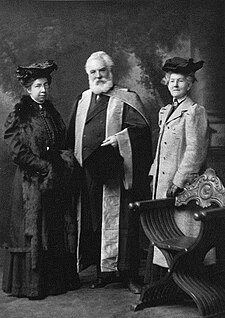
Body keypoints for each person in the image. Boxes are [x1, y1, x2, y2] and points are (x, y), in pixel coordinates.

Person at [66, 51, 152, 294]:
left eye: (101, 70)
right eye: (92, 72)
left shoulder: (126, 98)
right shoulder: (82, 100)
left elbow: (142, 131)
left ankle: (127, 274)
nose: (98, 75)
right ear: (87, 75)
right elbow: (71, 135)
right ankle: (103, 273)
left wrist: (120, 139)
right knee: (94, 223)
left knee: (123, 225)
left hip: (116, 171)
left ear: (110, 71)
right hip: (89, 174)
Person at [2, 60, 80, 300]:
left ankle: (55, 282)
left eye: (46, 84)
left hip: (52, 183)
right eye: (38, 85)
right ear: (28, 89)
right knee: (33, 231)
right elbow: (17, 152)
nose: (43, 90)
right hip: (30, 183)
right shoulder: (19, 114)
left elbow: (63, 143)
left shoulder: (52, 113)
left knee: (53, 229)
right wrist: (43, 166)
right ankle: (31, 285)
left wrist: (62, 162)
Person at [149, 57, 209, 278]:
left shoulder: (194, 111)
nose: (175, 85)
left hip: (182, 187)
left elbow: (195, 152)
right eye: (172, 80)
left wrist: (179, 181)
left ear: (190, 84)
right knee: (163, 228)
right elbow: (161, 148)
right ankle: (167, 278)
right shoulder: (166, 111)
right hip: (162, 183)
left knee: (182, 229)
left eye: (181, 81)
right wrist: (153, 173)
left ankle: (185, 278)